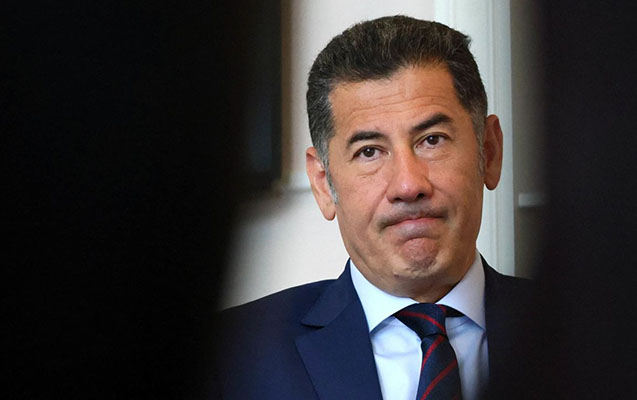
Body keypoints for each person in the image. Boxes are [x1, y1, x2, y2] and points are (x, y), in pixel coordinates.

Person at [215, 16, 532, 400]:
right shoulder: (228, 356)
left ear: (489, 152)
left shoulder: (586, 332)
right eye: (369, 152)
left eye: (432, 140)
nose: (408, 185)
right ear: (323, 183)